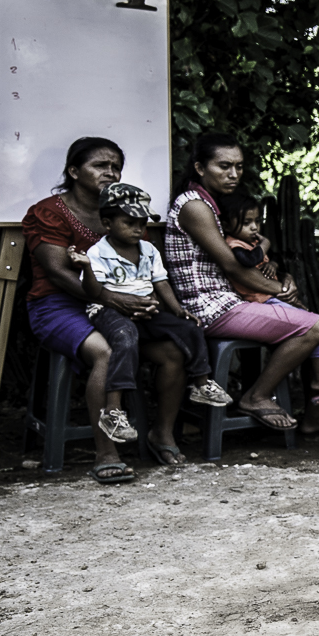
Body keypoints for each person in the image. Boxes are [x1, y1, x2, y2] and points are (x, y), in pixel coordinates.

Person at [22, 142, 196, 481]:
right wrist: (113, 299)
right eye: (100, 165)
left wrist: (145, 303)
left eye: (115, 166)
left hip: (117, 307)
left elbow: (143, 268)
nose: (111, 173)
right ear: (74, 172)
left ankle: (161, 433)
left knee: (173, 351)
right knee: (105, 350)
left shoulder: (125, 212)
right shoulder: (49, 212)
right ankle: (106, 452)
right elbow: (59, 272)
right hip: (58, 305)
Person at [166, 135, 319, 438]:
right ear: (200, 168)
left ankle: (311, 408)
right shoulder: (194, 206)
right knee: (314, 327)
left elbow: (250, 260)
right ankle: (256, 397)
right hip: (208, 308)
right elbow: (231, 266)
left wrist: (279, 283)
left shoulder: (213, 205)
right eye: (224, 166)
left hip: (227, 301)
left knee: (300, 316)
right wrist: (279, 290)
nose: (234, 175)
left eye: (238, 167)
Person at [73, 183, 232, 455]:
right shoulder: (97, 253)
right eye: (129, 222)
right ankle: (113, 409)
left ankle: (202, 383)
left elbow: (161, 283)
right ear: (107, 222)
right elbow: (94, 292)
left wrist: (178, 309)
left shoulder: (148, 250)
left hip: (148, 311)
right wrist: (86, 268)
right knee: (125, 337)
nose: (138, 228)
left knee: (188, 327)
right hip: (109, 311)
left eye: (142, 222)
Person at [216, 191, 319, 401]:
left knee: (318, 324)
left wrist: (273, 263)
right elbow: (250, 261)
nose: (254, 228)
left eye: (257, 221)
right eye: (246, 222)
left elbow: (266, 260)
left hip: (270, 296)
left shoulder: (249, 242)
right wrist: (265, 243)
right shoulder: (232, 244)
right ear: (227, 225)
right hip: (261, 301)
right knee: (313, 325)